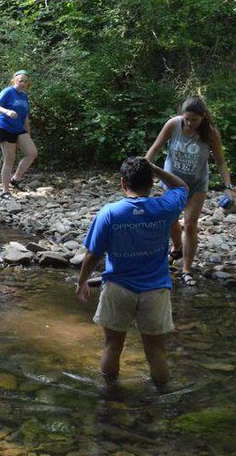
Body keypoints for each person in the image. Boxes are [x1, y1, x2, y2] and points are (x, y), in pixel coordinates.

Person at [76, 157, 189, 389]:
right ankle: (161, 397)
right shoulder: (165, 208)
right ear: (151, 183)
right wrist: (156, 168)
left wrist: (82, 282)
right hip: (156, 289)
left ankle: (109, 396)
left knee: (112, 346)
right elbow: (181, 187)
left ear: (122, 184)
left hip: (118, 287)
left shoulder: (110, 213)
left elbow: (92, 254)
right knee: (156, 350)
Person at [144, 96, 233, 288]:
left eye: (194, 119)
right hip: (172, 182)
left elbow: (221, 161)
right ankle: (176, 248)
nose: (190, 123)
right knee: (170, 218)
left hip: (197, 183)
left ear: (203, 117)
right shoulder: (173, 125)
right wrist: (143, 169)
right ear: (181, 115)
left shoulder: (210, 133)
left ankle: (186, 269)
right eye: (187, 118)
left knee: (190, 224)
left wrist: (229, 188)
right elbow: (156, 147)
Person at [0, 70, 38, 193]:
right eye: (21, 80)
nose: (23, 83)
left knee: (32, 153)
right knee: (9, 160)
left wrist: (28, 133)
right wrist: (7, 111)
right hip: (5, 128)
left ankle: (15, 179)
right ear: (15, 80)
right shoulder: (8, 91)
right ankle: (5, 191)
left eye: (25, 81)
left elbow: (25, 117)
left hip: (20, 130)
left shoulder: (24, 96)